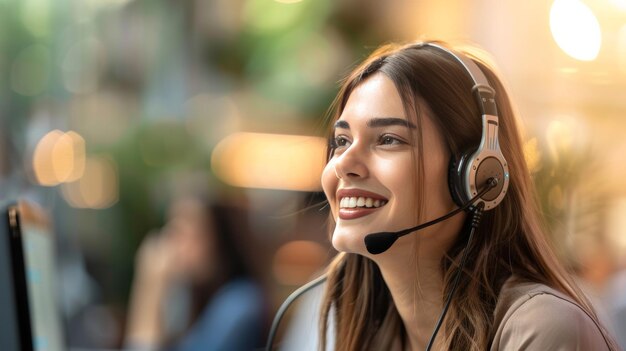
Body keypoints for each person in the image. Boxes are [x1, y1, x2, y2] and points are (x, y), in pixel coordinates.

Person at [316, 41, 619, 350]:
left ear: (477, 174)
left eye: (389, 139)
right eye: (342, 140)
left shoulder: (543, 328)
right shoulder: (369, 328)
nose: (343, 164)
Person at [125, 196, 265, 351]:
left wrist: (150, 289)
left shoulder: (239, 304)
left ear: (217, 238)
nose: (172, 245)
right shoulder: (191, 296)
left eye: (183, 233)